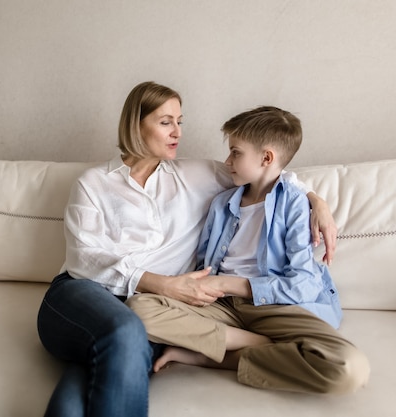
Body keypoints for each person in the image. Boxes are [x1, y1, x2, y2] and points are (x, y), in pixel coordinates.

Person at [37, 83, 338, 417]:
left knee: (99, 367)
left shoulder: (195, 174)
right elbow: (84, 260)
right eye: (166, 122)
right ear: (136, 124)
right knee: (125, 330)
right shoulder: (93, 182)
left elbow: (268, 171)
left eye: (180, 121)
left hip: (154, 309)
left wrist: (315, 200)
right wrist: (163, 284)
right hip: (83, 292)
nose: (177, 132)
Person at [126, 106, 370, 394]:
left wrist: (232, 284)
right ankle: (257, 342)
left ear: (266, 157)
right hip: (221, 305)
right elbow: (206, 261)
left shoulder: (294, 204)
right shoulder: (222, 203)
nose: (227, 161)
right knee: (138, 309)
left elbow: (303, 283)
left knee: (349, 368)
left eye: (236, 152)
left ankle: (214, 356)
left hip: (276, 306)